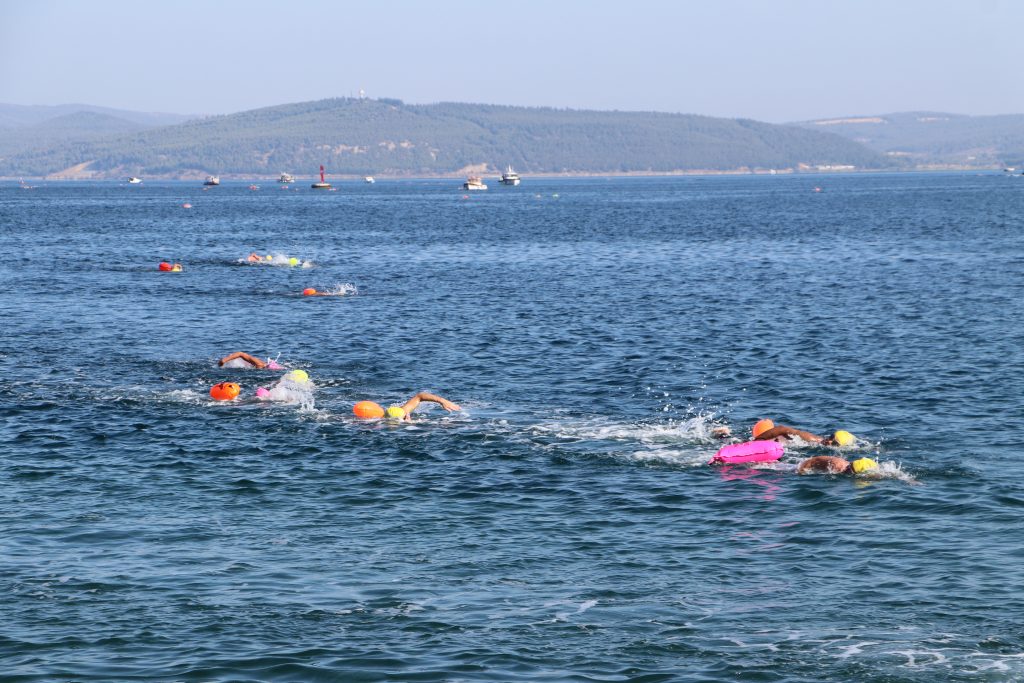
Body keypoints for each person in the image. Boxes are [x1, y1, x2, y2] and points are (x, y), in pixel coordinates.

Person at [753, 424, 856, 447]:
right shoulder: (810, 439)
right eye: (831, 437)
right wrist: (758, 440)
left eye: (834, 443)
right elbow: (781, 429)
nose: (829, 441)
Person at [797, 456, 878, 475]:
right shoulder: (837, 465)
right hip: (800, 466)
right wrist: (800, 471)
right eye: (849, 471)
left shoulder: (846, 467)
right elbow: (814, 460)